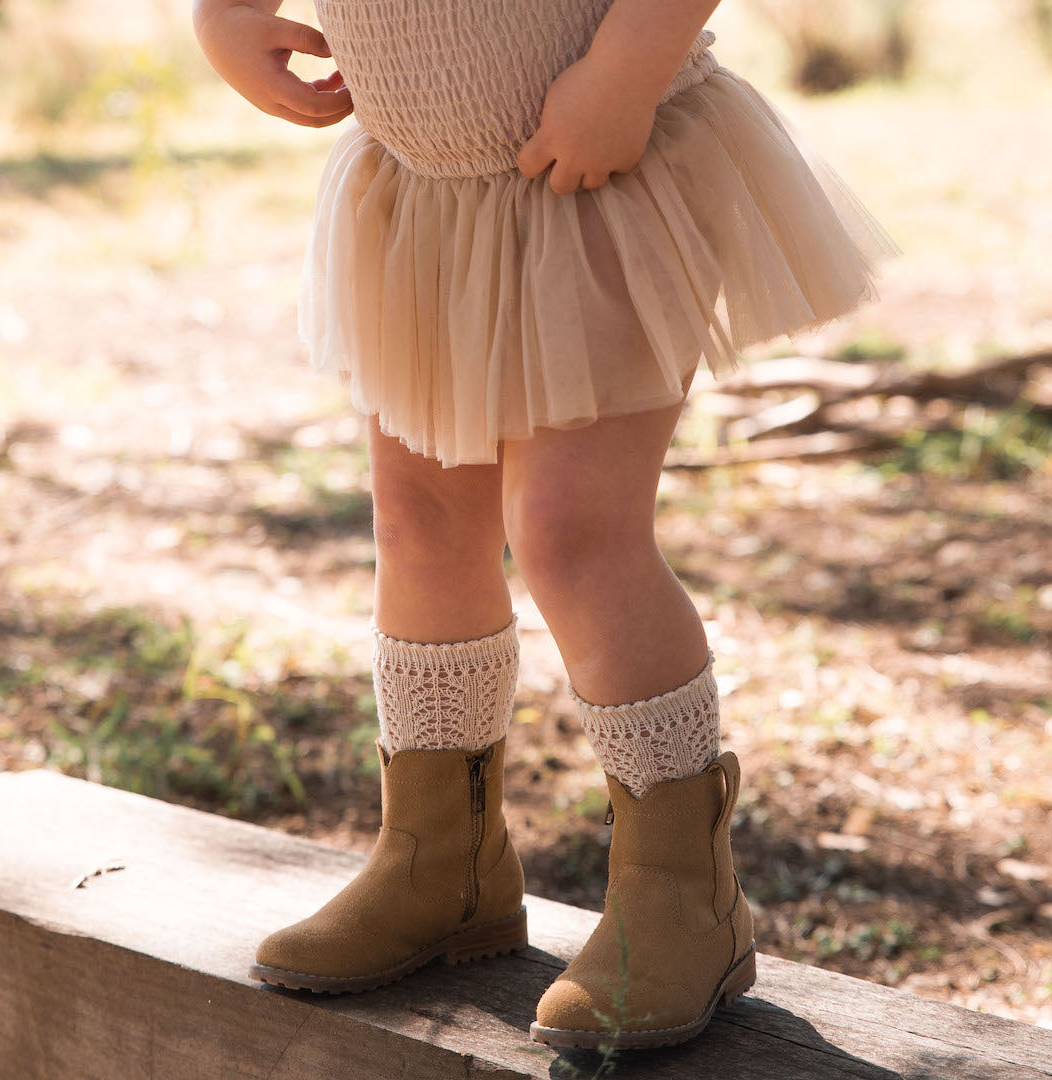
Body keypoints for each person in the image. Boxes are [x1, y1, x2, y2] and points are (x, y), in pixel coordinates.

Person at [193, 0, 897, 1051]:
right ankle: (442, 858)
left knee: (571, 528)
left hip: (601, 159)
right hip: (422, 183)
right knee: (423, 523)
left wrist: (628, 64)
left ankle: (681, 891)